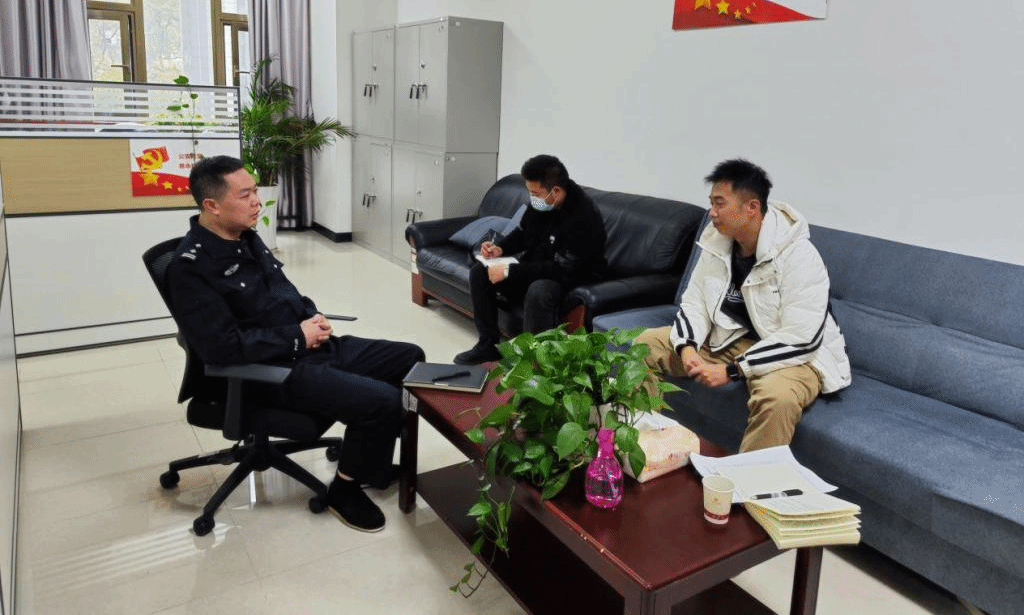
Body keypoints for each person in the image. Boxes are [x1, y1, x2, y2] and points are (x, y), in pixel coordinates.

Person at [166, 155, 424, 533]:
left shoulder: (245, 237)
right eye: (245, 195)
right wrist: (297, 336)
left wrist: (312, 316)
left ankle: (370, 466)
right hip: (266, 371)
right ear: (212, 205)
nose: (257, 201)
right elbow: (222, 349)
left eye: (255, 191)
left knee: (409, 358)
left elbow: (283, 291)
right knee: (382, 401)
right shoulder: (190, 268)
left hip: (302, 345)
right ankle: (344, 490)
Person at [635, 158, 850, 452]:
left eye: (720, 203)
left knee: (777, 399)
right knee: (646, 345)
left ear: (752, 207)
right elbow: (694, 302)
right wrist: (687, 347)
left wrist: (733, 371)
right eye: (711, 202)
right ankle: (644, 452)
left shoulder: (799, 256)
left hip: (795, 354)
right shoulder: (717, 242)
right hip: (731, 338)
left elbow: (802, 338)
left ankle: (748, 481)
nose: (711, 212)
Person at [454, 154, 607, 365]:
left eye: (535, 193)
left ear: (555, 191)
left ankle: (536, 362)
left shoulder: (583, 217)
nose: (532, 198)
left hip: (573, 277)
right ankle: (487, 344)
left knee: (539, 290)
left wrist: (508, 271)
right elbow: (522, 233)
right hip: (539, 265)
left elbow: (561, 269)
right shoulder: (543, 203)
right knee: (480, 272)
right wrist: (500, 249)